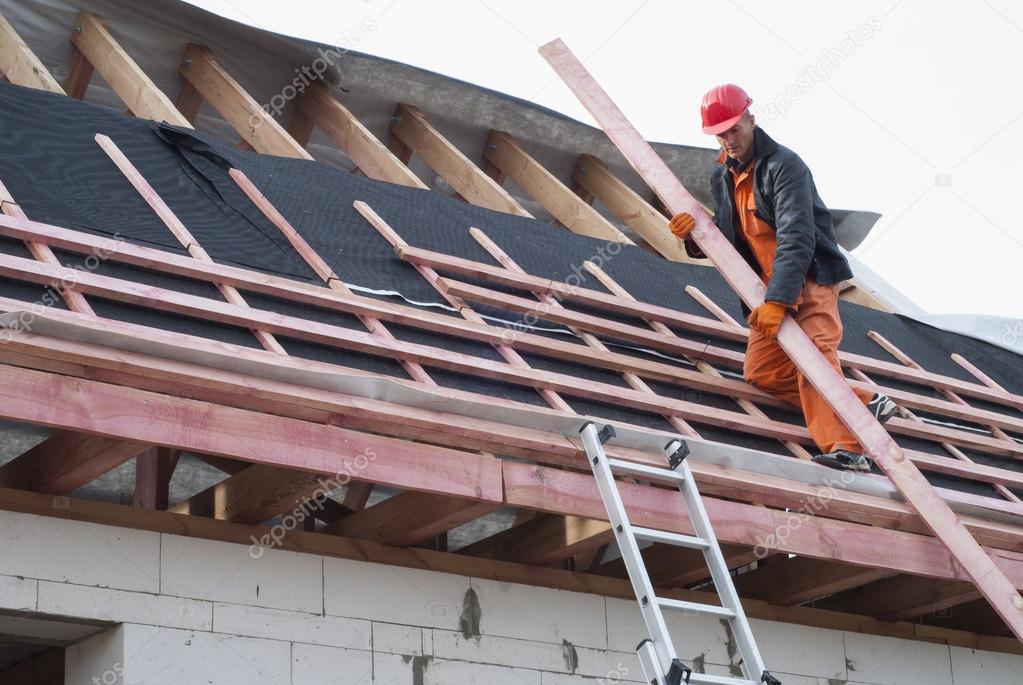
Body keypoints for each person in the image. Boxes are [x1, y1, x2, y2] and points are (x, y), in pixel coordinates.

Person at [669, 84, 897, 472]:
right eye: (720, 134)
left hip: (807, 281)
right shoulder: (721, 176)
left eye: (734, 130)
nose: (729, 139)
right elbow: (730, 237)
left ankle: (850, 450)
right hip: (765, 289)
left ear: (752, 121)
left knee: (814, 362)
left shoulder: (784, 166)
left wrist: (779, 302)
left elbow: (797, 236)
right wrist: (693, 237)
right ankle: (862, 403)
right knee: (763, 372)